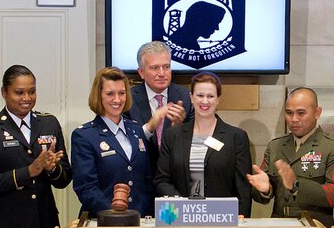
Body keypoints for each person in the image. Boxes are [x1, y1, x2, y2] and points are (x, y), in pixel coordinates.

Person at [0, 65, 71, 228]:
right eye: (19, 92)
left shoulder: (49, 123)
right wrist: (28, 172)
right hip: (3, 225)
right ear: (4, 92)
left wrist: (52, 169)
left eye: (32, 92)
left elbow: (64, 179)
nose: (27, 98)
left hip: (44, 224)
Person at [248, 87, 334, 228]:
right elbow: (262, 196)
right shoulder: (275, 146)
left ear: (317, 113)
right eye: (289, 113)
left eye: (301, 113)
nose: (294, 119)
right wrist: (265, 189)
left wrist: (297, 186)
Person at [154, 72, 252, 217]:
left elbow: (243, 187)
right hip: (180, 217)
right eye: (200, 95)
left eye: (210, 96)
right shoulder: (172, 135)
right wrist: (184, 205)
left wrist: (241, 218)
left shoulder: (236, 137)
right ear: (191, 97)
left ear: (218, 99)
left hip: (222, 219)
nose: (205, 101)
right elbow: (162, 180)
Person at [71, 66, 154, 218]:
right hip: (103, 222)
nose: (117, 100)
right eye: (110, 94)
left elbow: (146, 181)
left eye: (122, 93)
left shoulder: (136, 129)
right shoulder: (84, 136)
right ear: (99, 96)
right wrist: (115, 214)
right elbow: (86, 188)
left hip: (140, 221)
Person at [125, 41, 194, 168]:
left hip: (176, 175)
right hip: (142, 173)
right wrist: (150, 126)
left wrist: (178, 130)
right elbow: (124, 144)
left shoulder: (186, 97)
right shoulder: (127, 99)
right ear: (141, 72)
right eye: (154, 68)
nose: (162, 73)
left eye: (166, 67)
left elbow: (195, 143)